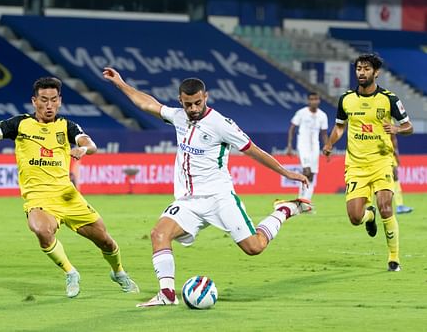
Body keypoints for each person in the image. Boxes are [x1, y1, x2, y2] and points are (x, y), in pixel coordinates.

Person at [103, 67, 312, 307]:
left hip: (219, 198)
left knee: (254, 247)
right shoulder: (178, 117)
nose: (193, 109)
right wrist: (120, 83)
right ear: (180, 100)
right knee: (159, 234)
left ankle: (284, 210)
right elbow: (148, 104)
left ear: (206, 98)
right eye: (188, 104)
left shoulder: (221, 124)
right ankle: (167, 294)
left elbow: (254, 151)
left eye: (197, 103)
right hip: (188, 201)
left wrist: (286, 172)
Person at [0, 77, 139, 297]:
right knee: (40, 229)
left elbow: (90, 144)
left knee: (105, 241)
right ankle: (70, 272)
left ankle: (119, 272)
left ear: (60, 101)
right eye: (43, 100)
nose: (48, 105)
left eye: (53, 100)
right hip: (38, 198)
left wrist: (83, 150)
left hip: (68, 196)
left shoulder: (67, 126)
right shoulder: (19, 124)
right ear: (34, 101)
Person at [323, 54, 413, 272]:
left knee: (385, 206)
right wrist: (329, 144)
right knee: (355, 217)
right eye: (358, 69)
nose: (361, 73)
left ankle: (394, 258)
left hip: (382, 161)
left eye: (366, 69)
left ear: (376, 72)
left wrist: (398, 129)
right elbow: (340, 127)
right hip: (355, 166)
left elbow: (409, 126)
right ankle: (368, 215)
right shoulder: (346, 99)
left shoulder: (389, 99)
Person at [287, 92, 329, 202]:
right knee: (306, 170)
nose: (314, 101)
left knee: (312, 173)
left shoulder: (322, 115)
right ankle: (301, 197)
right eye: (311, 99)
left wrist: (327, 148)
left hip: (315, 146)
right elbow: (292, 128)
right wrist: (290, 145)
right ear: (308, 101)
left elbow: (324, 133)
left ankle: (307, 200)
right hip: (303, 144)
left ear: (319, 100)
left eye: (316, 99)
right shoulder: (301, 113)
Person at [391, 134, 413, 214]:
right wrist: (397, 156)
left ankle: (373, 207)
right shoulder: (388, 122)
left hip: (378, 156)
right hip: (387, 156)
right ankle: (399, 206)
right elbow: (393, 139)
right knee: (395, 178)